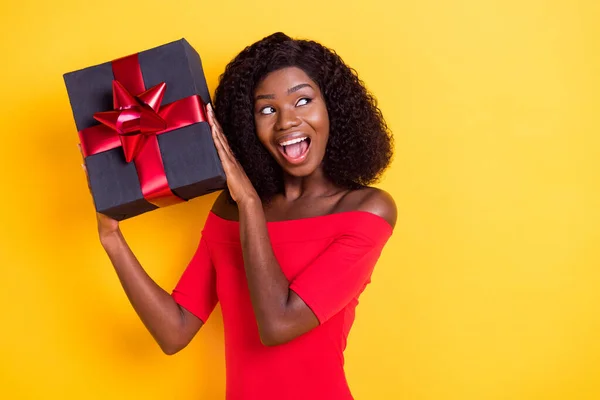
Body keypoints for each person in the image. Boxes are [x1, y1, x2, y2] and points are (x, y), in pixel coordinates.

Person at [83, 32, 397, 400]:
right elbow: (175, 332)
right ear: (248, 126)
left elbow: (277, 325)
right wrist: (111, 237)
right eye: (267, 109)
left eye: (303, 100)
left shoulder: (366, 210)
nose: (286, 121)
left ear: (334, 108)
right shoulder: (228, 211)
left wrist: (249, 203)